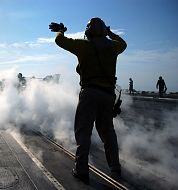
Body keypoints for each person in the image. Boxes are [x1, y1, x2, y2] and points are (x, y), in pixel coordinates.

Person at [50, 17, 127, 183]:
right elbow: (124, 44)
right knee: (108, 133)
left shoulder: (83, 46)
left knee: (83, 132)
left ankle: (81, 169)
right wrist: (110, 32)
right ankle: (115, 168)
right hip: (108, 96)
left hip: (89, 93)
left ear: (88, 32)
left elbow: (59, 41)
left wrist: (61, 30)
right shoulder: (113, 46)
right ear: (103, 31)